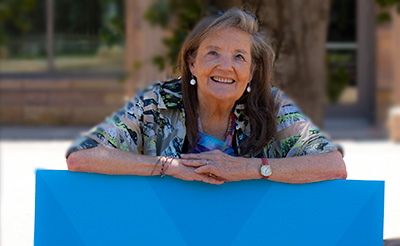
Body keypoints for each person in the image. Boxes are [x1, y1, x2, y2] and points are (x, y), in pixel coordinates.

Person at [66, 8, 347, 185]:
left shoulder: (271, 105)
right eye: (212, 53)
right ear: (192, 63)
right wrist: (168, 167)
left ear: (250, 72)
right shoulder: (157, 102)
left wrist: (248, 169)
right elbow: (83, 157)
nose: (225, 66)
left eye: (239, 57)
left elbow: (332, 165)